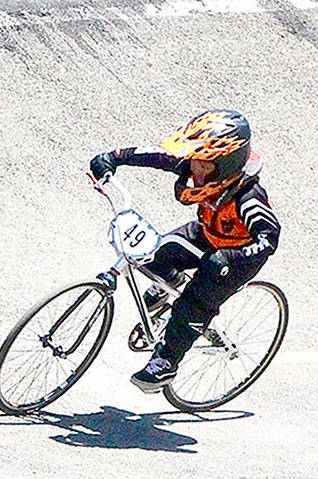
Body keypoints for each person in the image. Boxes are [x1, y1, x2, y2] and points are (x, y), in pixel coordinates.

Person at [88, 109, 280, 392]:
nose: (195, 171)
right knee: (150, 254)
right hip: (206, 234)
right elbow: (159, 156)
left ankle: (166, 362)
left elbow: (269, 239)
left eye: (204, 165)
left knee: (191, 306)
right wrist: (115, 157)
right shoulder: (203, 166)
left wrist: (230, 257)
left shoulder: (248, 198)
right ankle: (170, 285)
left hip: (236, 258)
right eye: (195, 162)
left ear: (226, 165)